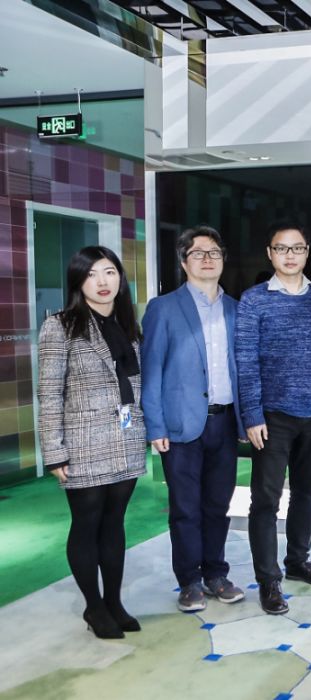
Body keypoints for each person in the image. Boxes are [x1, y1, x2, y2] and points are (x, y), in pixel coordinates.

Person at [37, 246, 146, 639]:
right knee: (87, 524)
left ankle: (114, 602)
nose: (103, 282)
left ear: (120, 279)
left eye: (110, 272)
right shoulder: (60, 326)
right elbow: (49, 393)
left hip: (127, 438)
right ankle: (94, 607)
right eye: (92, 274)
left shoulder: (128, 324)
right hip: (83, 443)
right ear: (78, 281)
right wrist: (54, 451)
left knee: (114, 523)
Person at [141, 226, 245, 612]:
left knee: (218, 505)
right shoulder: (163, 308)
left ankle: (216, 574)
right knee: (185, 508)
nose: (207, 259)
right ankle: (189, 581)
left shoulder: (235, 308)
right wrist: (155, 425)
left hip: (224, 422)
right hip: (181, 425)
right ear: (184, 262)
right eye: (198, 253)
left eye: (214, 252)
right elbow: (151, 369)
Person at [236, 222, 311, 615]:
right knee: (265, 500)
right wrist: (252, 414)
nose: (290, 256)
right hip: (272, 417)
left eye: (297, 248)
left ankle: (297, 561)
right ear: (270, 253)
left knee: (307, 493)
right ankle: (268, 579)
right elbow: (245, 361)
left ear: (307, 252)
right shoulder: (253, 300)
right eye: (282, 248)